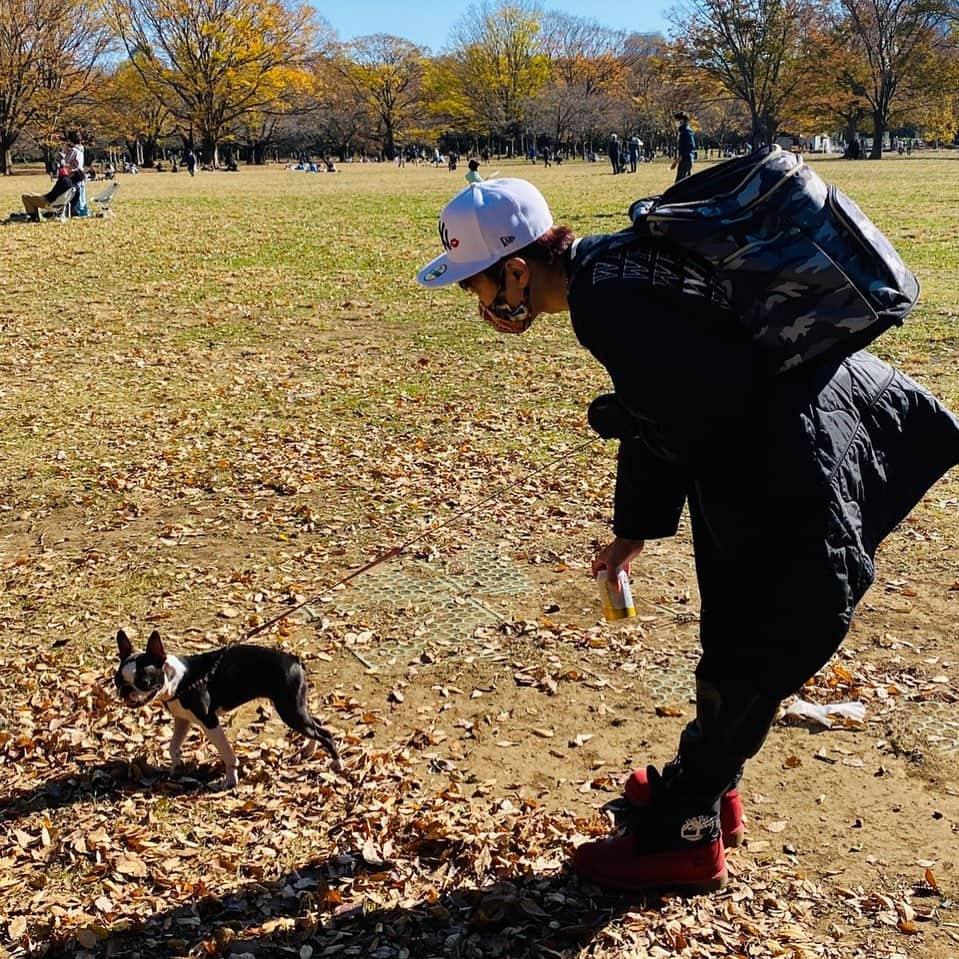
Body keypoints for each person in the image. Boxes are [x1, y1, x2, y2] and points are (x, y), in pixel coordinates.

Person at [415, 177, 959, 894]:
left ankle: (685, 831)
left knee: (752, 644)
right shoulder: (610, 262)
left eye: (475, 286)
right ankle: (708, 779)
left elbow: (694, 414)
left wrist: (629, 417)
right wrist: (633, 526)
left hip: (789, 458)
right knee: (737, 635)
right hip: (797, 428)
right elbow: (678, 399)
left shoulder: (604, 303)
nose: (480, 304)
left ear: (515, 268)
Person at [63, 131, 88, 216]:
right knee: (82, 192)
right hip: (80, 172)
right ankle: (83, 210)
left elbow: (66, 160)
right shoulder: (81, 148)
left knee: (75, 193)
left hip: (74, 174)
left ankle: (77, 210)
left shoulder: (74, 150)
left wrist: (64, 153)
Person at [671, 112, 696, 182]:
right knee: (687, 183)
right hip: (685, 159)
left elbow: (690, 147)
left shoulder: (687, 132)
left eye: (676, 120)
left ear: (681, 121)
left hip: (686, 160)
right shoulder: (683, 131)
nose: (675, 122)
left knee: (679, 182)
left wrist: (678, 159)